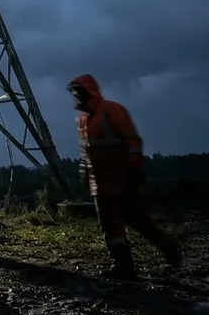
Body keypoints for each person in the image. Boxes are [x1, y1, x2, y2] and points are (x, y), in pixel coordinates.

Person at [69, 74, 181, 278]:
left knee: (136, 219)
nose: (76, 96)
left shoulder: (112, 111)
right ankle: (122, 265)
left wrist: (134, 169)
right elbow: (86, 151)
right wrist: (84, 174)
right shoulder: (84, 119)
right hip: (100, 183)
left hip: (121, 178)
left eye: (79, 92)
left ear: (88, 92)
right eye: (75, 92)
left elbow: (132, 141)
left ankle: (168, 247)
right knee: (109, 225)